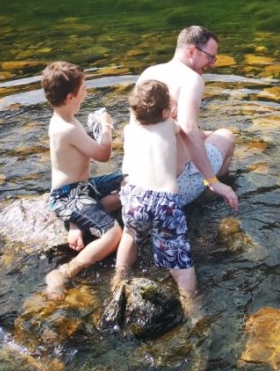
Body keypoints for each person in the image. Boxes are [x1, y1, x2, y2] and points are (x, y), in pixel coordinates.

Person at [115, 79, 199, 319]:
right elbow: (185, 128)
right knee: (179, 262)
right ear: (165, 112)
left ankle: (119, 279)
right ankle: (192, 309)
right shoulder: (170, 126)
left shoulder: (128, 130)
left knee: (129, 235)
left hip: (134, 197)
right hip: (164, 202)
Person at [42, 60, 123, 298]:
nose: (86, 92)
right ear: (71, 97)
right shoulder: (68, 128)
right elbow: (103, 154)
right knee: (114, 233)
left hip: (82, 188)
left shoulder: (65, 119)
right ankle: (67, 270)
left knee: (130, 183)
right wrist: (106, 128)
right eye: (84, 89)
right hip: (68, 197)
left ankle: (77, 223)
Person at [139, 26, 238, 212]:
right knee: (226, 136)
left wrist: (202, 135)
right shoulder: (191, 79)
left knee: (207, 135)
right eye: (210, 57)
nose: (212, 64)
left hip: (141, 183)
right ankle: (213, 194)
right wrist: (212, 180)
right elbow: (188, 128)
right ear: (192, 51)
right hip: (175, 190)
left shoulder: (149, 73)